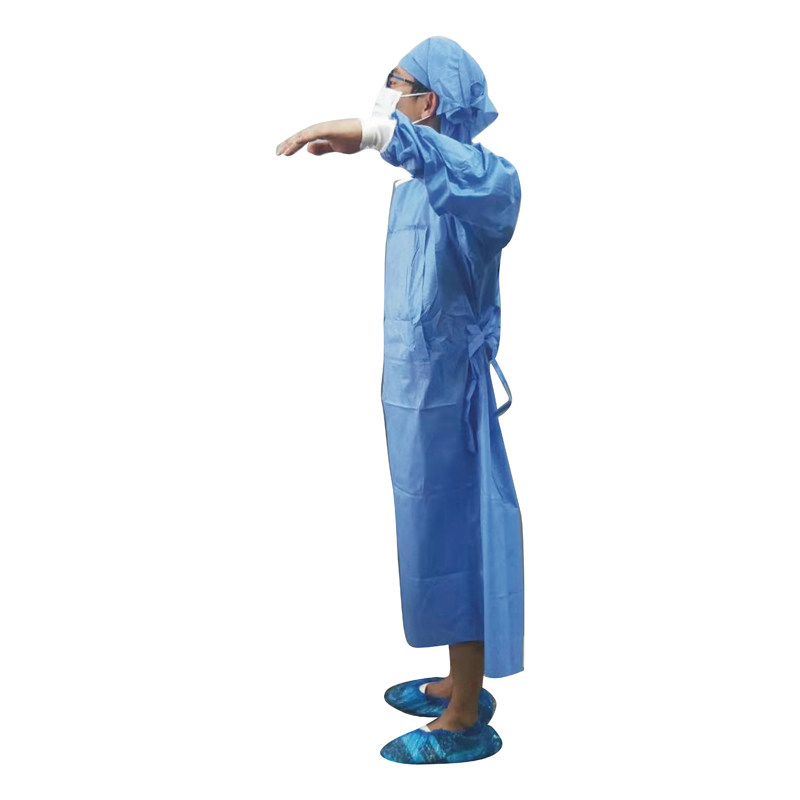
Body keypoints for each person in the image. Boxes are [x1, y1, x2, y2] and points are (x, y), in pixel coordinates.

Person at [276, 36, 523, 765]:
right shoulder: (417, 188)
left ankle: (463, 718)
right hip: (414, 391)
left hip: (451, 398)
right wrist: (386, 143)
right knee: (429, 539)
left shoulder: (485, 180)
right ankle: (459, 680)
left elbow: (473, 178)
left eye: (397, 84)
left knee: (459, 539)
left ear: (430, 101)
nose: (387, 96)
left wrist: (375, 133)